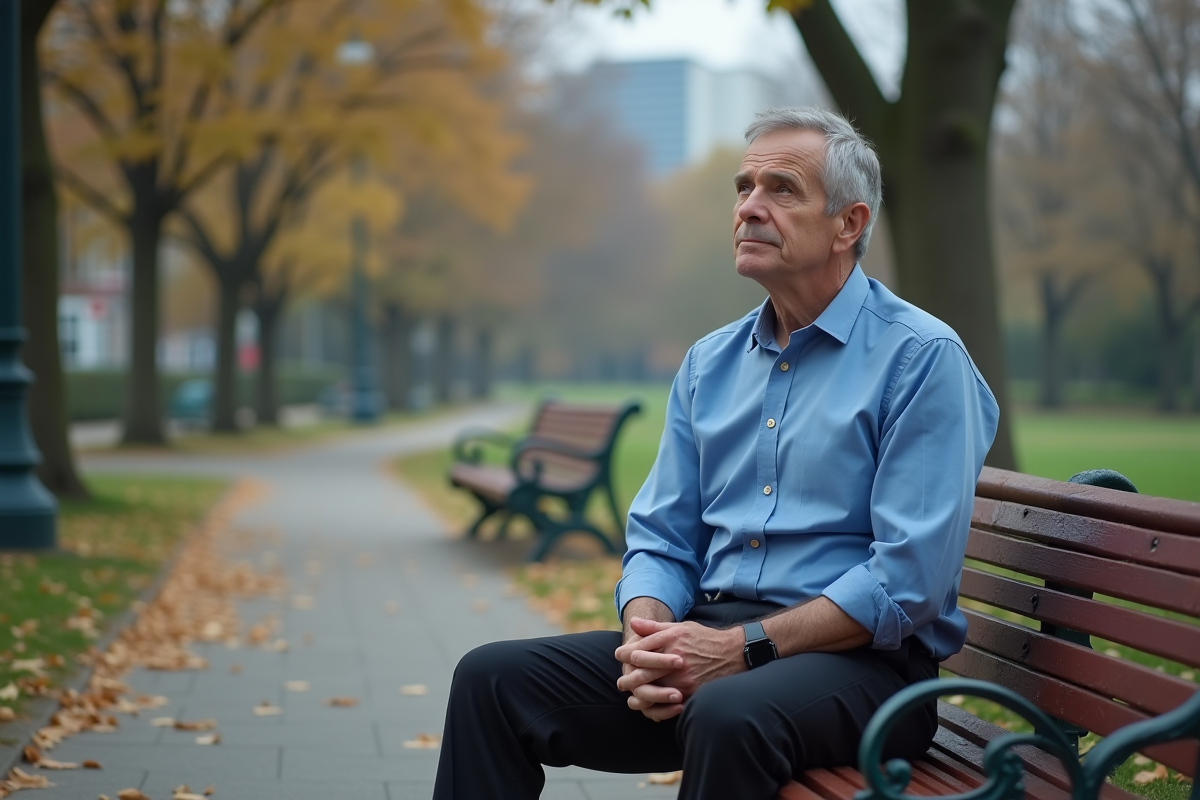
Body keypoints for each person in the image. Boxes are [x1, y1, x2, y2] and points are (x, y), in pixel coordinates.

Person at [432, 107, 999, 800]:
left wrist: (741, 651)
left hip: (867, 669)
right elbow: (662, 536)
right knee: (491, 681)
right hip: (713, 644)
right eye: (744, 187)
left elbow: (907, 581)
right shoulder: (710, 362)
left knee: (729, 712)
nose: (750, 208)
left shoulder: (921, 358)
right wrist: (651, 636)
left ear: (848, 224)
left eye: (781, 190)